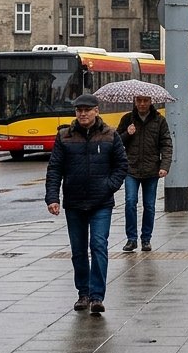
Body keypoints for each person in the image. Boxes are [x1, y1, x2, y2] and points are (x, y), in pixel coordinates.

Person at [45, 94, 128, 316]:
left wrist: (109, 186)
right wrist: (52, 197)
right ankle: (83, 292)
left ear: (96, 111)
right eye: (79, 110)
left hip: (101, 202)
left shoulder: (110, 135)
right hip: (74, 201)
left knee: (99, 245)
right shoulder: (65, 136)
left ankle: (97, 296)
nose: (83, 113)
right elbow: (54, 169)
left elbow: (122, 165)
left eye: (87, 110)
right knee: (78, 250)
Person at [117, 94, 173, 253]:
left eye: (145, 101)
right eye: (139, 100)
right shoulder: (127, 119)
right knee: (130, 202)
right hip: (131, 169)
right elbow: (116, 142)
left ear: (150, 102)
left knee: (149, 205)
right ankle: (131, 239)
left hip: (151, 170)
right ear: (135, 102)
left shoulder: (159, 120)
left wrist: (165, 166)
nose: (142, 104)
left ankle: (146, 239)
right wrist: (127, 133)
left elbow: (166, 144)